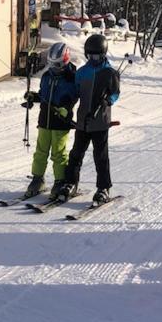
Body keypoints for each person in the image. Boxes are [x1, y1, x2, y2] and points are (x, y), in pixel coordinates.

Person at [58, 34, 120, 204]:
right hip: (83, 122)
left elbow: (115, 93)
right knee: (76, 154)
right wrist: (67, 104)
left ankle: (103, 187)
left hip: (100, 122)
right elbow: (76, 93)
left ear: (103, 54)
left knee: (100, 156)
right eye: (90, 56)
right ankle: (70, 183)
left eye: (97, 56)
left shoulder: (110, 73)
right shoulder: (82, 72)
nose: (93, 59)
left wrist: (108, 100)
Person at [23, 42, 78, 200]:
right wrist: (33, 97)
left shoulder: (71, 78)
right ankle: (38, 179)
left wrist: (66, 108)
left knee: (58, 153)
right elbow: (43, 95)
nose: (54, 68)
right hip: (45, 121)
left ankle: (60, 181)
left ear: (65, 60)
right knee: (40, 151)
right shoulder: (47, 76)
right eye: (52, 64)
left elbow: (74, 97)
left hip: (61, 122)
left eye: (58, 64)